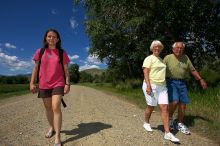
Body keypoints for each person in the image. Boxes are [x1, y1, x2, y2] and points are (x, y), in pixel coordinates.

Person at [30, 29, 70, 146]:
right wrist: (32, 83)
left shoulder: (62, 53)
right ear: (46, 38)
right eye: (49, 36)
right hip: (44, 84)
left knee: (55, 106)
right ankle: (51, 127)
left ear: (57, 39)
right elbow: (35, 68)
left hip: (58, 83)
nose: (51, 38)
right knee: (48, 108)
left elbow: (66, 70)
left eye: (54, 37)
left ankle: (57, 136)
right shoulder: (40, 52)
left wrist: (67, 84)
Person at [164, 41, 207, 135]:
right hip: (171, 82)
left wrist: (200, 79)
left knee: (183, 104)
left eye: (181, 48)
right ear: (173, 49)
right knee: (175, 101)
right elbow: (161, 68)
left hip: (182, 82)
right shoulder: (168, 57)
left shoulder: (186, 58)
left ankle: (179, 123)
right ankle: (170, 118)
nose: (179, 49)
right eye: (177, 48)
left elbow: (192, 70)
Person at [142, 40, 180, 142]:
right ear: (152, 48)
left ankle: (167, 133)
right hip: (151, 85)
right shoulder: (149, 58)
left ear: (161, 48)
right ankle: (146, 122)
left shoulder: (161, 60)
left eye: (159, 47)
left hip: (162, 86)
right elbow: (146, 73)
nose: (157, 48)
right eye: (155, 46)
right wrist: (148, 86)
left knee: (165, 107)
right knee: (151, 106)